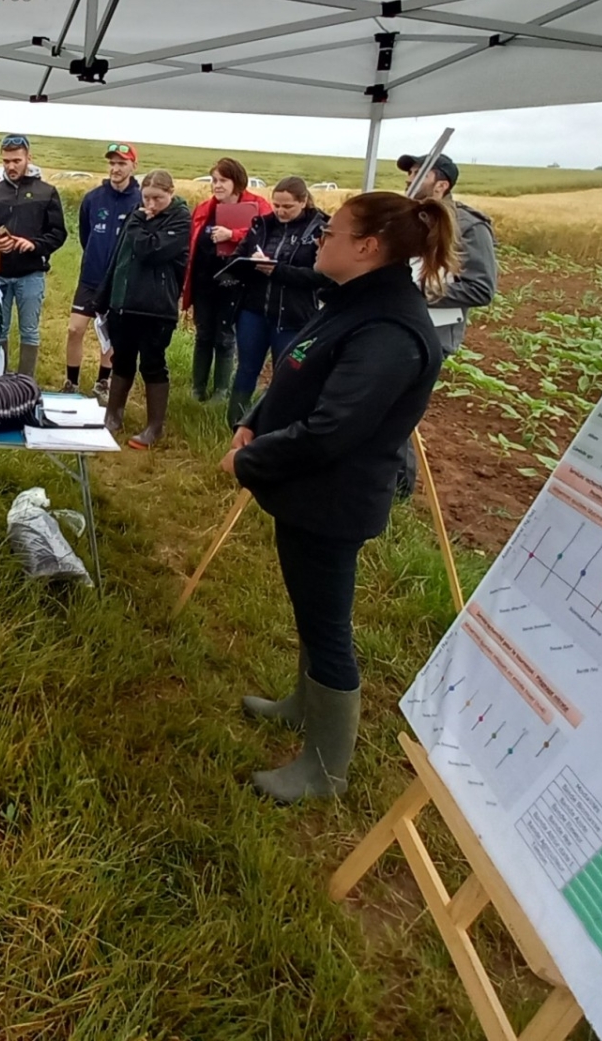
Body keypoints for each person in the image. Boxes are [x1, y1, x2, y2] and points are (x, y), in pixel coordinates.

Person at [222, 191, 457, 803]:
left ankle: (325, 769)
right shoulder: (351, 301)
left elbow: (333, 429)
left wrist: (249, 460)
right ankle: (304, 704)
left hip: (333, 500)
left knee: (327, 625)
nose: (320, 238)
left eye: (333, 231)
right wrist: (254, 418)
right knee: (309, 605)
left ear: (368, 247)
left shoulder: (389, 330)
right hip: (305, 492)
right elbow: (300, 366)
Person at [395, 152, 498, 494]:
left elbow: (481, 288)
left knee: (396, 412)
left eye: (417, 173)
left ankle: (398, 490)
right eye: (409, 173)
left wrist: (418, 291)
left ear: (441, 184)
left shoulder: (468, 226)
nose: (409, 180)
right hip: (395, 325)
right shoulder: (407, 217)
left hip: (431, 334)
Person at [95, 170, 190, 449]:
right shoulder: (138, 217)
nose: (150, 204)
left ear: (170, 193)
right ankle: (113, 416)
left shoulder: (180, 219)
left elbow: (152, 250)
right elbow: (118, 257)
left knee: (152, 364)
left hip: (156, 308)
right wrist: (104, 297)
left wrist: (137, 222)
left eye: (157, 198)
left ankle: (154, 427)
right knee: (121, 360)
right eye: (146, 198)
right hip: (124, 304)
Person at [229, 177, 329, 423]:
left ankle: (275, 425)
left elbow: (323, 276)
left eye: (288, 207)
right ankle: (234, 422)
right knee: (246, 368)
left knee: (286, 375)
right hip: (253, 311)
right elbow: (238, 256)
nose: (281, 211)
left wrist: (278, 270)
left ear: (303, 201)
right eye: (276, 205)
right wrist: (247, 264)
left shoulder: (322, 229)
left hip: (294, 316)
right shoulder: (261, 224)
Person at [0, 135, 67, 377]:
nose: (11, 166)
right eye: (6, 161)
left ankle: (25, 383)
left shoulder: (46, 192)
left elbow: (58, 233)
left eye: (16, 160)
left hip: (31, 274)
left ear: (28, 158)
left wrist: (35, 245)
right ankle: (0, 380)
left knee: (29, 330)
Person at [183, 158, 272, 407]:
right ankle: (197, 388)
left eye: (223, 180)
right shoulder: (204, 208)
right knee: (203, 335)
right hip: (204, 281)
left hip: (237, 283)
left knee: (224, 336)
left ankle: (221, 391)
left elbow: (265, 235)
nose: (217, 185)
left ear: (237, 182)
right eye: (214, 180)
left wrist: (232, 235)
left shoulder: (258, 205)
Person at [69, 143, 141, 400]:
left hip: (119, 282)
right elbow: (85, 235)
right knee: (75, 329)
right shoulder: (92, 198)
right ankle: (71, 382)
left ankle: (102, 382)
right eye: (112, 163)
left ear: (134, 166)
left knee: (108, 336)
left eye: (121, 163)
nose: (115, 168)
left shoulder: (140, 201)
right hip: (91, 277)